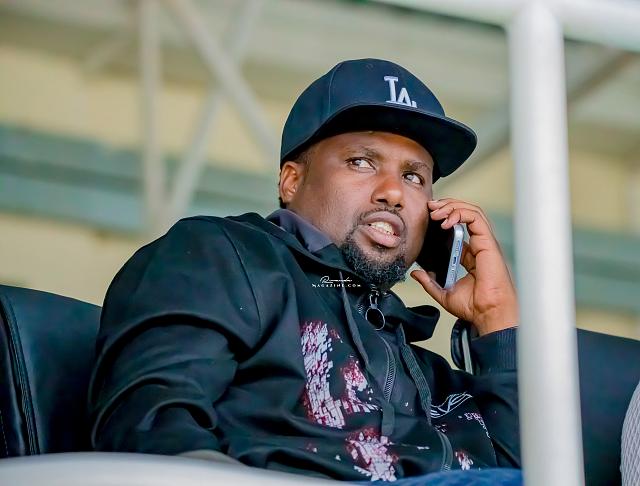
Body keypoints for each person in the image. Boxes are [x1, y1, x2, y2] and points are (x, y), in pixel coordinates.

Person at [89, 58, 521, 484]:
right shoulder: (226, 255)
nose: (393, 192)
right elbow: (153, 426)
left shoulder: (429, 375)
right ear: (291, 181)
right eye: (361, 161)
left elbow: (530, 468)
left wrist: (497, 321)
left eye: (413, 177)